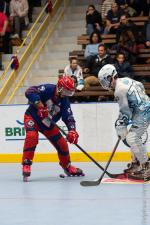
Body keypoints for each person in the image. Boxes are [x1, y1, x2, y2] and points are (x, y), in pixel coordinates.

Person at [22, 76, 84, 180]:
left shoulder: (65, 101)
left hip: (48, 124)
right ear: (59, 87)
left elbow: (68, 117)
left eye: (70, 92)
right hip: (33, 117)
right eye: (66, 91)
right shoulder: (48, 88)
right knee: (32, 136)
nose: (67, 94)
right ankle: (26, 164)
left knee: (62, 144)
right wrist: (40, 106)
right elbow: (29, 91)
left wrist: (72, 130)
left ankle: (67, 167)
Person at [98, 64, 150, 180]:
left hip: (143, 112)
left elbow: (125, 112)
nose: (103, 84)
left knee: (131, 138)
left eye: (103, 81)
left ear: (109, 78)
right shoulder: (125, 80)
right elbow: (141, 86)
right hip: (143, 109)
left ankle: (147, 168)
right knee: (133, 138)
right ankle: (138, 164)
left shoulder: (118, 91)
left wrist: (120, 125)